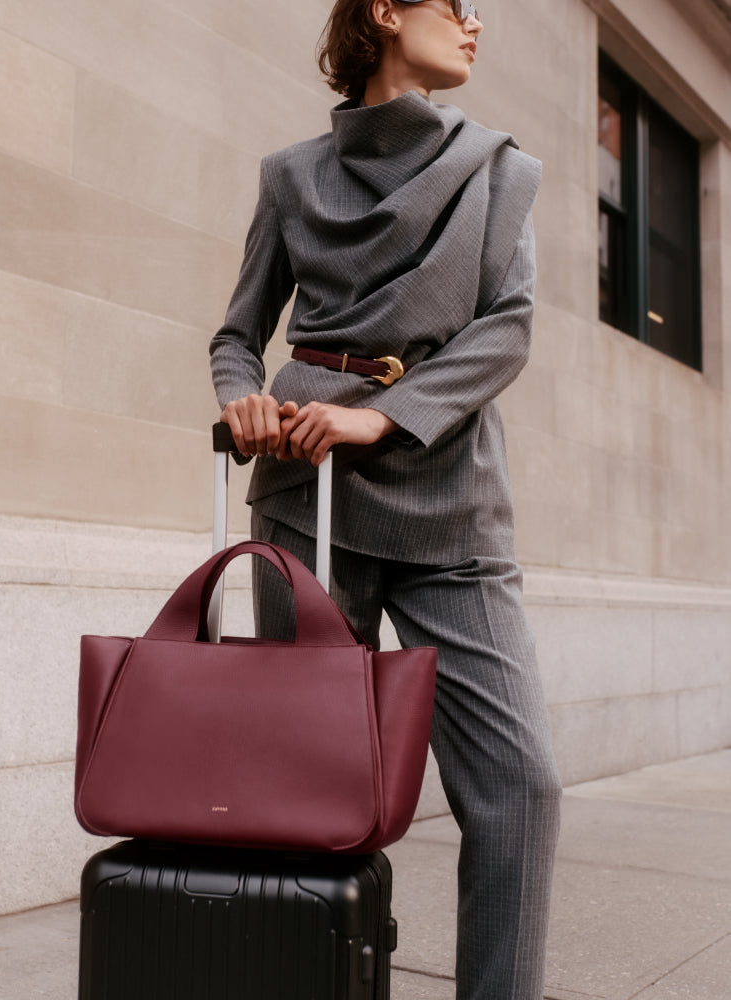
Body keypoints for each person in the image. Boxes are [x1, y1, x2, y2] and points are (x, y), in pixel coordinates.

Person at [209, 1, 562, 996]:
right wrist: (242, 400)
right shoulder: (290, 175)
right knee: (309, 785)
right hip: (303, 502)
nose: (478, 25)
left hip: (448, 494)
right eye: (459, 6)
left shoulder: (500, 168)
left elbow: (507, 330)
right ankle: (322, 973)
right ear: (388, 11)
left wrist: (387, 413)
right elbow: (240, 333)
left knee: (520, 785)